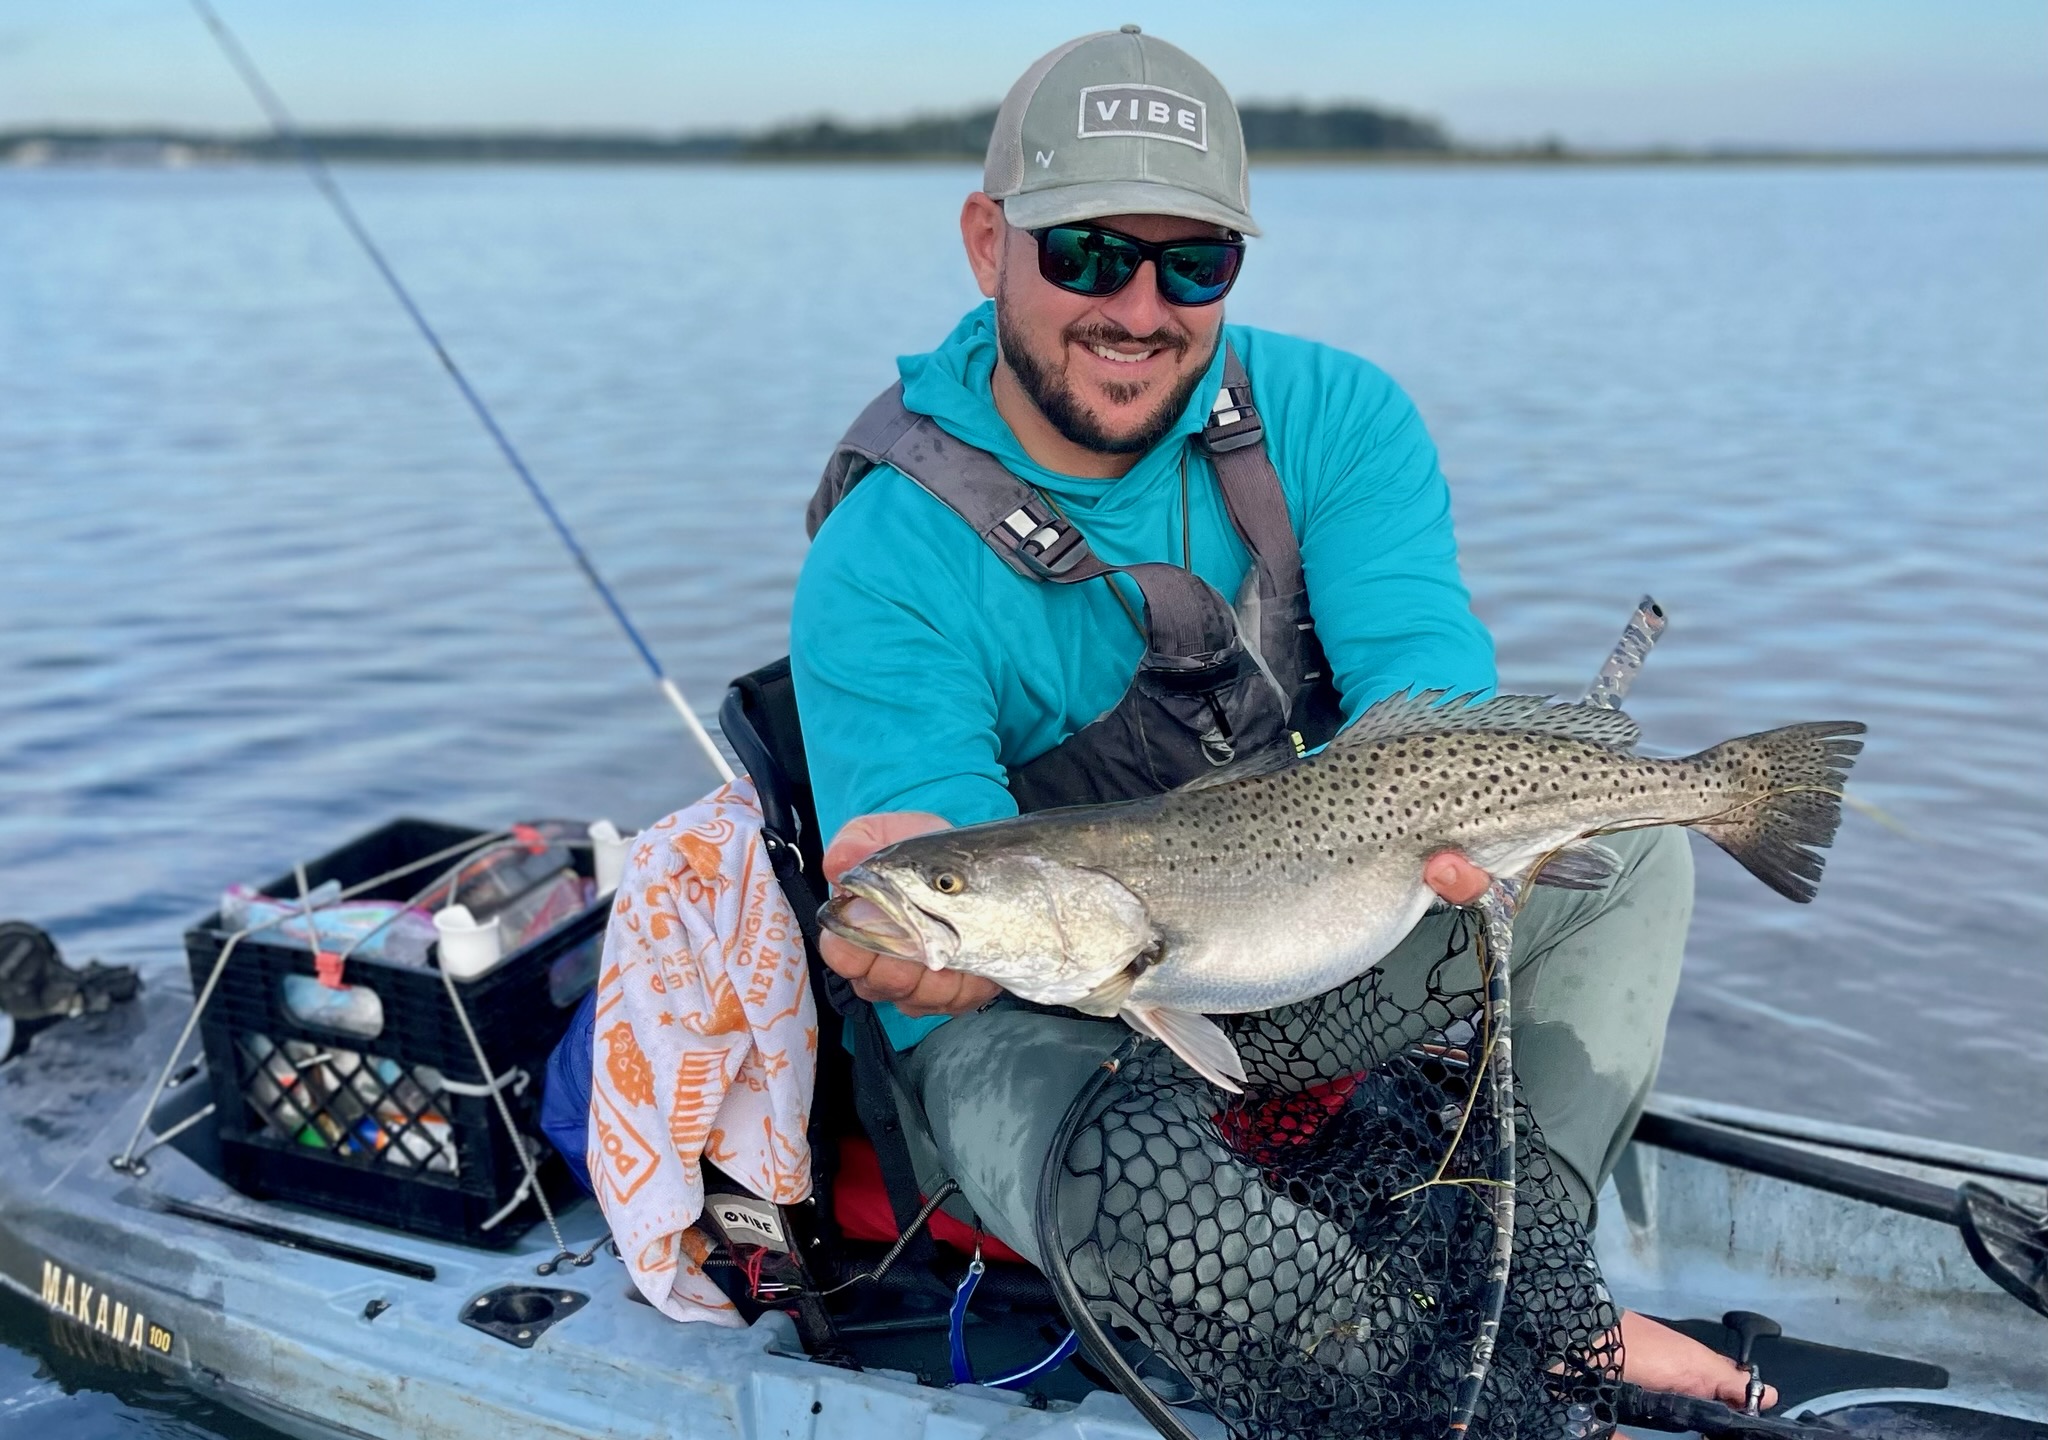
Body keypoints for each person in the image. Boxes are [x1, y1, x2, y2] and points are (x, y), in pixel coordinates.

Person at [791, 26, 1766, 1407]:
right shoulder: (882, 557)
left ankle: (1542, 1278)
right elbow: (932, 859)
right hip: (1026, 1021)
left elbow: (1429, 684)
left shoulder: (1340, 418)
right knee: (1138, 1186)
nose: (1137, 306)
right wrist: (925, 898)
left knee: (1634, 858)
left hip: (1294, 913)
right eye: (1083, 252)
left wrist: (1480, 825)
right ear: (984, 241)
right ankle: (1461, 1392)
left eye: (1194, 262)